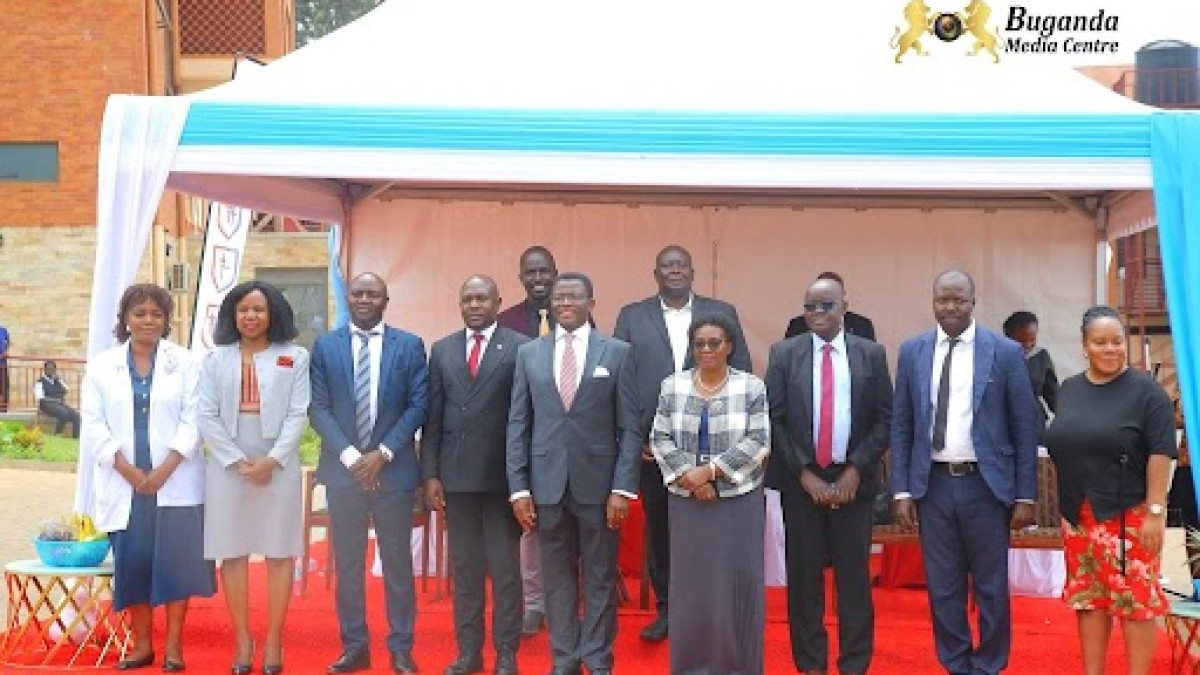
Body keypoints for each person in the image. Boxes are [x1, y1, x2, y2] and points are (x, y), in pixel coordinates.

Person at [889, 269, 1039, 675]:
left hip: (986, 487)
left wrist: (1025, 495)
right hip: (933, 486)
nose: (950, 307)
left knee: (991, 586)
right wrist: (902, 489)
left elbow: (1025, 426)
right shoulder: (912, 350)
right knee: (943, 586)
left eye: (958, 300)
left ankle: (989, 664)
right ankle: (955, 664)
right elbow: (901, 424)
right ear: (932, 301)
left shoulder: (1004, 352)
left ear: (973, 302)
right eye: (942, 299)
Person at [612, 244, 752, 642]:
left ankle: (715, 613)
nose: (674, 271)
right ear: (655, 273)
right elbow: (623, 380)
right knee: (663, 531)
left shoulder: (721, 311)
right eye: (666, 266)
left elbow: (740, 373)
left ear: (692, 272)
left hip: (716, 448)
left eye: (681, 265)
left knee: (714, 533)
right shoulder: (632, 315)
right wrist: (636, 435)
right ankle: (669, 611)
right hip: (654, 448)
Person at [506, 272, 641, 675]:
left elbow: (629, 427)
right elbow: (519, 424)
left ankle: (597, 659)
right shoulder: (529, 353)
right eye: (559, 297)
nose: (566, 303)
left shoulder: (616, 352)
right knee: (556, 580)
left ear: (591, 303)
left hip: (600, 489)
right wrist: (518, 489)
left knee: (599, 578)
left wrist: (623, 487)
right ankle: (564, 660)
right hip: (546, 487)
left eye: (574, 297)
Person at [80, 283, 214, 671]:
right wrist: (128, 471)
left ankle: (173, 648)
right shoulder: (102, 366)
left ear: (167, 320)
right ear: (125, 319)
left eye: (156, 314)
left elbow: (196, 418)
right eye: (139, 313)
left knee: (178, 564)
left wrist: (166, 468)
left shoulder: (187, 363)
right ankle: (142, 645)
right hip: (125, 483)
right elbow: (93, 424)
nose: (148, 321)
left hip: (176, 480)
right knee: (134, 563)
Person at [765, 277, 892, 675]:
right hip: (801, 482)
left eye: (827, 306)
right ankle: (811, 666)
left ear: (844, 308)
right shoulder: (784, 354)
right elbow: (774, 418)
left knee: (854, 582)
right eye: (811, 307)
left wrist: (855, 471)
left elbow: (885, 419)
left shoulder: (870, 354)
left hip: (854, 483)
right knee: (804, 585)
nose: (818, 314)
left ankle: (854, 665)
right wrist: (804, 473)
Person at [1044, 306, 1175, 675]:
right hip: (1079, 515)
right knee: (1089, 601)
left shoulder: (1147, 393)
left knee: (1136, 604)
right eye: (1100, 342)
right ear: (1084, 345)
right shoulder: (1069, 389)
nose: (1110, 349)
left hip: (1130, 517)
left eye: (1117, 341)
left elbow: (1161, 452)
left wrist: (1155, 511)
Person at [310, 272, 429, 675]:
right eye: (357, 293)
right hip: (344, 474)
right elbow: (318, 408)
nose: (363, 299)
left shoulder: (410, 345)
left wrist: (382, 453)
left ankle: (400, 648)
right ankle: (355, 647)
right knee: (348, 563)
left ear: (385, 299)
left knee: (397, 563)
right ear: (349, 297)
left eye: (372, 294)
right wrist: (351, 457)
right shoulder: (326, 345)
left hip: (393, 473)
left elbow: (418, 405)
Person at [198, 280, 310, 675]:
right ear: (233, 314)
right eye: (243, 309)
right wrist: (234, 460)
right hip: (229, 464)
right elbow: (205, 414)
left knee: (279, 552)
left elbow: (299, 413)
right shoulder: (215, 359)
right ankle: (243, 638)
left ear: (273, 314)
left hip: (278, 462)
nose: (250, 316)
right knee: (234, 550)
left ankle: (275, 638)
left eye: (259, 310)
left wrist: (273, 460)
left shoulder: (294, 357)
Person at [650, 314, 770, 674]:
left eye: (714, 343)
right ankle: (692, 666)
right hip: (687, 502)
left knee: (735, 587)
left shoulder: (751, 387)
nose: (706, 350)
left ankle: (736, 666)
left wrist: (712, 473)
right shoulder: (672, 386)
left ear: (729, 346)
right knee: (692, 590)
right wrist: (690, 476)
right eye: (699, 343)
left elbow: (759, 441)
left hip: (737, 501)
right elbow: (659, 437)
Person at [423, 275, 526, 675]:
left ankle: (506, 654)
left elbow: (524, 418)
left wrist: (523, 482)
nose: (475, 305)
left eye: (482, 298)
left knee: (504, 571)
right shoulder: (443, 349)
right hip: (457, 480)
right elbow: (433, 418)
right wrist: (430, 474)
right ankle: (468, 653)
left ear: (498, 302)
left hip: (502, 479)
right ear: (460, 304)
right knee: (464, 572)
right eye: (467, 299)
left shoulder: (520, 349)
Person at [496, 245, 567, 636]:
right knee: (529, 526)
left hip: (567, 439)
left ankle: (564, 598)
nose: (539, 279)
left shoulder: (576, 316)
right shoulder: (505, 322)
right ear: (521, 277)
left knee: (564, 524)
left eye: (545, 272)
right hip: (523, 435)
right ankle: (534, 603)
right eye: (531, 273)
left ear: (555, 273)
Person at [1002, 310, 1059, 441]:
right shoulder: (997, 356)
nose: (1028, 345)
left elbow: (1053, 393)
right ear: (1007, 337)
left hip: (1034, 423)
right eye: (1020, 341)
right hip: (1004, 423)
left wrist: (1066, 418)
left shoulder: (1041, 356)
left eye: (1032, 339)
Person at [784, 272, 876, 341]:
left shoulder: (862, 325)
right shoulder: (797, 325)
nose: (820, 310)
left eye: (828, 303)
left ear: (843, 295)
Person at [35, 360, 81, 438]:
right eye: (48, 369)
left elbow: (66, 389)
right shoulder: (40, 382)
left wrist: (58, 381)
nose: (50, 371)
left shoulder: (58, 380)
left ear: (55, 370)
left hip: (59, 404)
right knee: (63, 414)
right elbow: (40, 398)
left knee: (76, 416)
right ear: (45, 370)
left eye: (52, 369)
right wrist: (55, 400)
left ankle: (76, 438)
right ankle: (57, 435)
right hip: (46, 405)